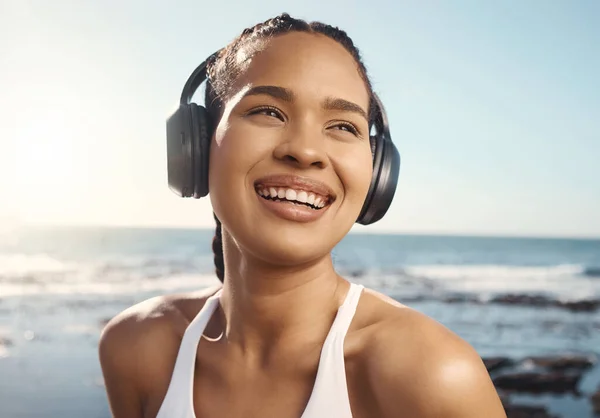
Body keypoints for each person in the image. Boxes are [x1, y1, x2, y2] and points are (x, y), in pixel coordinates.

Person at [99, 13, 506, 418]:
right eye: (268, 112)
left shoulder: (433, 376)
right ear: (197, 148)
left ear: (378, 170)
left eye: (344, 126)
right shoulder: (136, 347)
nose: (306, 150)